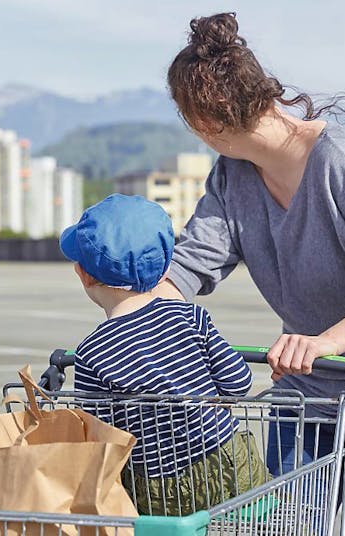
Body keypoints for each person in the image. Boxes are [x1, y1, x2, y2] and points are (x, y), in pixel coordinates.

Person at [152, 12, 345, 536]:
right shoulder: (233, 174)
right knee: (289, 535)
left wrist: (323, 342)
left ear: (206, 122)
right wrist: (136, 315)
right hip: (307, 400)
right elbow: (195, 259)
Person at [59, 193, 271, 516]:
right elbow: (238, 383)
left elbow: (100, 437)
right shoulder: (191, 317)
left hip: (157, 492)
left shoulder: (91, 354)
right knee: (270, 516)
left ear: (84, 275)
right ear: (163, 271)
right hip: (229, 468)